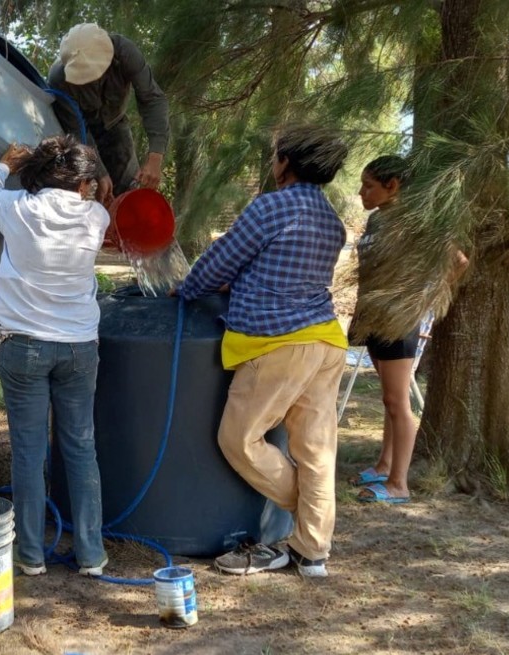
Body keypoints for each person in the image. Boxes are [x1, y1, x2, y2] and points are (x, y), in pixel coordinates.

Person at [176, 125, 350, 578]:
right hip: (326, 340)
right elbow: (278, 269)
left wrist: (186, 289)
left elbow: (220, 261)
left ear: (286, 164)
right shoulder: (331, 220)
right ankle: (312, 551)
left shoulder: (271, 206)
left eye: (276, 158)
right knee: (315, 450)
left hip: (278, 344)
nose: (273, 165)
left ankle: (310, 511)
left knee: (240, 439)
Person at [0, 136, 111, 577]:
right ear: (82, 182)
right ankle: (91, 554)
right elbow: (92, 197)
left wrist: (2, 164)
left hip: (25, 345)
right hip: (79, 347)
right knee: (81, 447)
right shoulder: (97, 216)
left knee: (28, 453)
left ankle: (31, 556)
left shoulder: (17, 209)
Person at [349, 155, 469, 504]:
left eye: (368, 186)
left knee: (398, 401)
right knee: (388, 399)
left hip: (400, 320)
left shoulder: (417, 222)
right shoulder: (376, 221)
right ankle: (384, 465)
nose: (361, 193)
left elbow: (458, 261)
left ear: (393, 186)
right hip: (373, 317)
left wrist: (422, 297)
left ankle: (399, 485)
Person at [48, 23, 169, 203]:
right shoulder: (59, 79)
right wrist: (100, 173)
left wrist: (155, 157)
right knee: (69, 193)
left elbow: (152, 99)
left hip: (115, 125)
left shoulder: (125, 53)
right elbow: (77, 131)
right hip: (79, 134)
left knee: (128, 189)